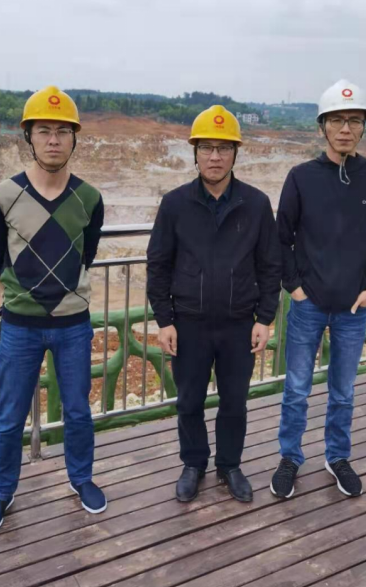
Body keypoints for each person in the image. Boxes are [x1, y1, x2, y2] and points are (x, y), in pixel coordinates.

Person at [0, 86, 106, 537]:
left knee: (78, 411)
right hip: (20, 325)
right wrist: (27, 293)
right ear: (28, 137)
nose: (54, 140)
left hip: (73, 324)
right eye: (44, 131)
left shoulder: (89, 198)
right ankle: (1, 492)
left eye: (62, 131)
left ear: (74, 139)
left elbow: (87, 254)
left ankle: (81, 478)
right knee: (10, 417)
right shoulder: (2, 196)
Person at [271, 79, 366, 499]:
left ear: (363, 126)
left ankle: (337, 456)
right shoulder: (301, 177)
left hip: (354, 307)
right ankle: (290, 457)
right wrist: (295, 290)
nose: (345, 128)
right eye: (336, 120)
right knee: (296, 389)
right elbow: (281, 239)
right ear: (322, 126)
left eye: (354, 120)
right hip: (307, 305)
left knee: (343, 391)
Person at [147, 105, 281, 503]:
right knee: (189, 400)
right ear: (195, 153)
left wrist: (264, 318)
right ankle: (193, 464)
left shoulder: (256, 204)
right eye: (206, 147)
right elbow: (158, 265)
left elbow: (270, 265)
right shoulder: (175, 204)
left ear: (235, 153)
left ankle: (230, 465)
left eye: (224, 148)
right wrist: (164, 320)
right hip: (189, 324)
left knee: (234, 402)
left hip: (239, 324)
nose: (215, 157)